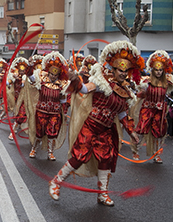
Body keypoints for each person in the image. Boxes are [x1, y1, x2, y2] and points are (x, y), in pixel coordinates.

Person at [49, 40, 143, 206]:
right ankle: (56, 182)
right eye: (119, 70)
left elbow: (122, 114)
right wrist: (75, 80)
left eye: (125, 71)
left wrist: (132, 132)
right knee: (79, 156)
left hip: (106, 130)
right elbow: (85, 89)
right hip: (91, 126)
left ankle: (102, 194)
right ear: (112, 69)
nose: (122, 73)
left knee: (106, 159)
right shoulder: (102, 82)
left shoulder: (126, 90)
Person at [23, 52, 81, 160]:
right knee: (39, 133)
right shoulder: (41, 80)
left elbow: (63, 100)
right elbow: (30, 77)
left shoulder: (62, 84)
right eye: (51, 74)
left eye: (55, 75)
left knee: (52, 133)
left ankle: (50, 152)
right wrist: (30, 66)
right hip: (41, 111)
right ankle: (34, 149)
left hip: (55, 113)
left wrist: (64, 113)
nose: (53, 76)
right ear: (48, 72)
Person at [133, 50, 173, 163]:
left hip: (160, 111)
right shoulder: (146, 82)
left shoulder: (168, 82)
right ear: (152, 70)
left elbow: (169, 93)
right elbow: (140, 94)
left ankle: (156, 154)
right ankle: (136, 151)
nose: (158, 72)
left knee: (159, 133)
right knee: (141, 130)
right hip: (147, 109)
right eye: (156, 70)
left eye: (160, 70)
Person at [7, 57, 32, 141]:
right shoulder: (15, 76)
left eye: (23, 70)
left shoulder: (28, 78)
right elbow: (9, 82)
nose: (21, 72)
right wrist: (10, 81)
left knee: (21, 116)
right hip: (15, 97)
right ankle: (13, 131)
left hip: (25, 100)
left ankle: (14, 132)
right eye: (20, 70)